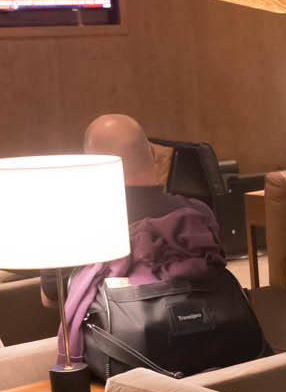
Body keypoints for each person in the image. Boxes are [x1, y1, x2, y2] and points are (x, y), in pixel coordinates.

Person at [40, 114, 221, 303]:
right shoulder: (199, 213)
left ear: (92, 164)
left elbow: (51, 298)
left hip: (114, 332)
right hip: (205, 326)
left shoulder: (71, 224)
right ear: (153, 154)